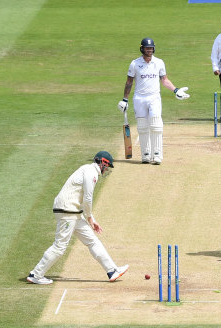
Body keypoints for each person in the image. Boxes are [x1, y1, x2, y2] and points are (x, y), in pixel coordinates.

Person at [27, 151, 129, 284]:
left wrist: (90, 218)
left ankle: (112, 270)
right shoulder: (91, 172)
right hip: (67, 211)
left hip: (72, 212)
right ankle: (36, 274)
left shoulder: (87, 169)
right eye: (107, 166)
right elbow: (87, 198)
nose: (107, 169)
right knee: (60, 246)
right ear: (103, 162)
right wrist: (90, 218)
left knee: (92, 241)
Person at [118, 37, 190, 165]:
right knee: (142, 126)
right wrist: (125, 99)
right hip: (139, 98)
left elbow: (164, 80)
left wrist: (175, 90)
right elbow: (129, 82)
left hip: (154, 97)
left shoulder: (159, 62)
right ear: (142, 49)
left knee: (156, 124)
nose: (149, 50)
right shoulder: (135, 64)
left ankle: (157, 155)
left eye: (151, 48)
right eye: (147, 48)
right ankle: (145, 154)